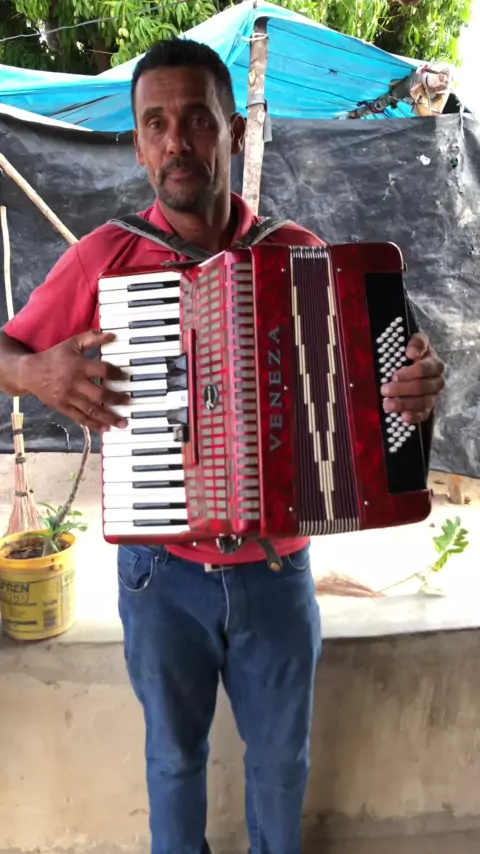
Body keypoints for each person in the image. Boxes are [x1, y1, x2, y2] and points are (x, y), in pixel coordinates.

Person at [0, 39, 445, 854]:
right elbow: (6, 354)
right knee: (172, 762)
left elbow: (383, 403)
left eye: (198, 120)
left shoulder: (299, 251)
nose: (178, 142)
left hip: (278, 573)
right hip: (159, 576)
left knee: (282, 764)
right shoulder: (104, 258)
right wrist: (33, 372)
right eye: (156, 125)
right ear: (139, 147)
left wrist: (414, 394)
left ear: (233, 131)